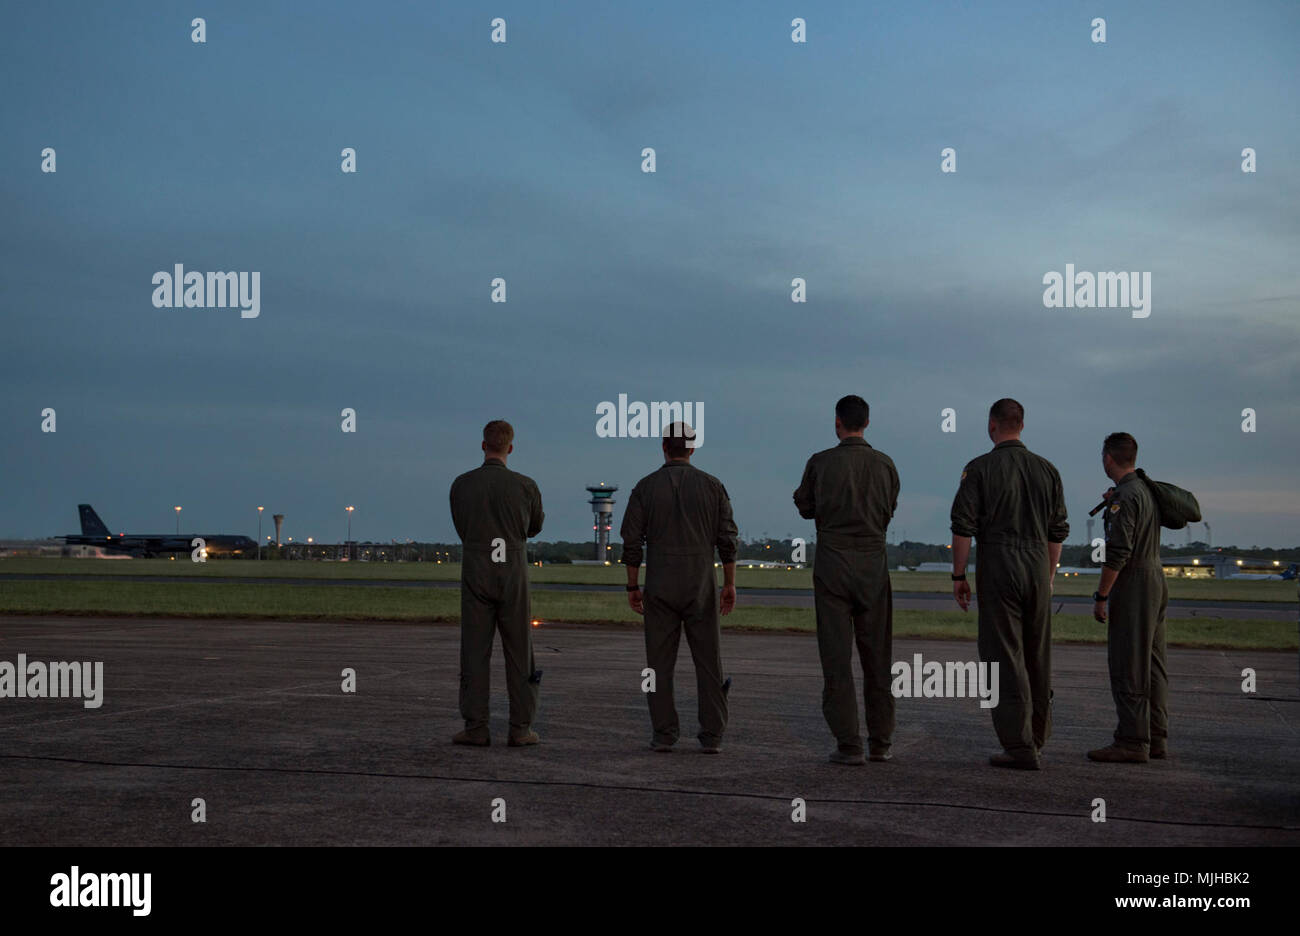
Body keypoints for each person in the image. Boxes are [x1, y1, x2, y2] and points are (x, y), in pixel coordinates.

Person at [950, 399, 1068, 769]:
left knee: (1002, 656)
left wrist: (959, 575)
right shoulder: (1048, 470)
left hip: (999, 564)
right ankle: (1037, 735)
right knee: (1037, 654)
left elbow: (963, 527)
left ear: (992, 425)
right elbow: (1057, 532)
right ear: (1021, 424)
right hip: (1037, 564)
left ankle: (1018, 746)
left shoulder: (980, 469)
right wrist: (1047, 576)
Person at [794, 395, 900, 765]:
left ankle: (848, 743)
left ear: (838, 422)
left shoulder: (821, 462)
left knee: (836, 658)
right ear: (866, 423)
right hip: (873, 565)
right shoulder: (885, 464)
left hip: (832, 565)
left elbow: (804, 505)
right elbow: (889, 510)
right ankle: (881, 741)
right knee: (878, 657)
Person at [621, 422, 738, 753]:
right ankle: (712, 734)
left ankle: (664, 733)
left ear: (663, 447)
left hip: (659, 585)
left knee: (658, 665)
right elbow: (727, 539)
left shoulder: (645, 488)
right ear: (692, 448)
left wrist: (632, 585)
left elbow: (631, 541)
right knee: (709, 662)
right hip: (701, 584)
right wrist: (729, 583)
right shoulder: (712, 486)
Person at [448, 420, 545, 747]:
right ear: (511, 448)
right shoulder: (526, 486)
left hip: (477, 567)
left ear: (483, 445)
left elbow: (461, 526)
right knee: (520, 650)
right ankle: (520, 727)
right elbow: (534, 527)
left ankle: (476, 727)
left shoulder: (462, 485)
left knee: (475, 651)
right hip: (513, 570)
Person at [1087, 432, 1169, 763]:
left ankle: (1133, 741)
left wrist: (1102, 595)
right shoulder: (1145, 491)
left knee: (1128, 662)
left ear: (1108, 458)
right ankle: (1156, 736)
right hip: (1155, 579)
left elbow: (1118, 550)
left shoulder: (1125, 497)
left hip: (1134, 582)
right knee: (1152, 663)